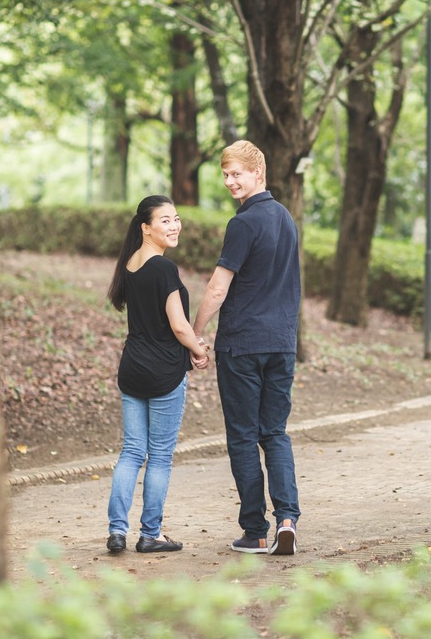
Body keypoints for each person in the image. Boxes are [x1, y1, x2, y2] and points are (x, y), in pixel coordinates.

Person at [193, 141, 302, 556]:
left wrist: (195, 334)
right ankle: (287, 520)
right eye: (225, 174)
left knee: (242, 436)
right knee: (274, 432)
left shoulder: (243, 223)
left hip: (242, 346)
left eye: (236, 173)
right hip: (282, 344)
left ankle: (255, 530)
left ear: (258, 172)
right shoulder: (286, 218)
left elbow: (218, 287)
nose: (229, 181)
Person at [105, 195, 210, 555]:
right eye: (165, 220)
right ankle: (150, 533)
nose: (174, 225)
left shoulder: (130, 264)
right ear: (145, 228)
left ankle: (117, 530)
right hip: (163, 371)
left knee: (132, 451)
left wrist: (191, 344)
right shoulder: (163, 268)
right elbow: (179, 326)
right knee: (160, 456)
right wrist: (199, 350)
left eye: (176, 218)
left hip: (133, 368)